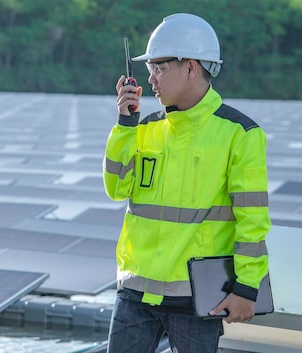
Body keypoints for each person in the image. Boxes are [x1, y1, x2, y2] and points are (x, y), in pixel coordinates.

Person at [102, 13, 271, 353]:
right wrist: (124, 125)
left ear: (191, 67)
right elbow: (116, 188)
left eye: (159, 68)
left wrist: (246, 289)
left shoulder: (240, 134)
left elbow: (252, 221)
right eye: (150, 68)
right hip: (135, 291)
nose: (150, 79)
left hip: (196, 300)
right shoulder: (144, 127)